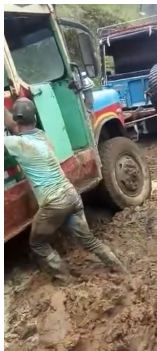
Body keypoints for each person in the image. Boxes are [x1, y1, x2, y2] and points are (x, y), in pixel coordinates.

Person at [4, 99, 126, 280]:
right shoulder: (42, 137)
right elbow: (17, 127)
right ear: (35, 119)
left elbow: (13, 130)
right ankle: (120, 269)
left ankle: (66, 279)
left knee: (37, 243)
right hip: (71, 195)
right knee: (88, 240)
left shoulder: (16, 144)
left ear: (17, 119)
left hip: (54, 203)